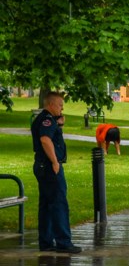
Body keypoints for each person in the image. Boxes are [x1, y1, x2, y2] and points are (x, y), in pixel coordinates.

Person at [31, 91, 81, 253]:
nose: (62, 108)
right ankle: (63, 242)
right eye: (60, 105)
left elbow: (49, 137)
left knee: (46, 204)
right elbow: (45, 140)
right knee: (59, 203)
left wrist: (58, 126)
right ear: (50, 105)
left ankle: (45, 241)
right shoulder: (47, 120)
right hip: (49, 166)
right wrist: (54, 161)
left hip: (41, 166)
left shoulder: (45, 120)